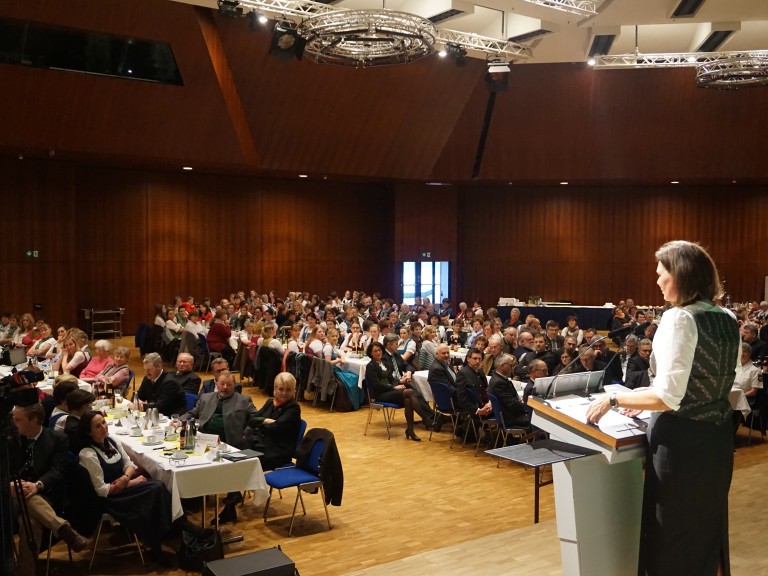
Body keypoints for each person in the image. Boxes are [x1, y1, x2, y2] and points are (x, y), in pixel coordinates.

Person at [586, 240, 740, 576]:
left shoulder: (679, 318)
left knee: (671, 534)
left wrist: (613, 399)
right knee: (704, 529)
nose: (657, 281)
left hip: (680, 444)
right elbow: (699, 383)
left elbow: (669, 398)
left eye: (662, 274)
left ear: (681, 274)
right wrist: (641, 398)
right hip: (716, 441)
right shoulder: (727, 317)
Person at [78, 411, 175, 566]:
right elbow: (102, 490)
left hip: (122, 490)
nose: (104, 427)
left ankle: (157, 541)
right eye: (98, 426)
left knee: (156, 488)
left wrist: (124, 478)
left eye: (103, 422)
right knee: (155, 489)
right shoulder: (88, 454)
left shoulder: (112, 441)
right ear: (89, 432)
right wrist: (131, 482)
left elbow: (129, 464)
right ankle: (169, 532)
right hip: (110, 500)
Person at [10, 404, 91, 575]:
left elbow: (58, 470)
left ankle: (26, 572)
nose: (13, 423)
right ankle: (63, 529)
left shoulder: (56, 439)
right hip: (10, 496)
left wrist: (37, 485)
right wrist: (11, 483)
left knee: (31, 523)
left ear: (34, 420)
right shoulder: (10, 439)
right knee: (22, 495)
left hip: (44, 496)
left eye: (17, 419)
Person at [181, 370, 256, 523]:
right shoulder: (206, 397)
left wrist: (245, 433)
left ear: (234, 386)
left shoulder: (244, 400)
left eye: (229, 384)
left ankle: (230, 501)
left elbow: (255, 419)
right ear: (216, 384)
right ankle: (192, 497)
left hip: (231, 444)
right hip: (204, 443)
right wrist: (179, 421)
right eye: (222, 384)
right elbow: (193, 413)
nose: (225, 387)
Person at [365, 341, 430, 441]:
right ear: (371, 354)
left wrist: (400, 382)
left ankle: (410, 430)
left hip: (390, 391)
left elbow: (391, 379)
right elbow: (377, 385)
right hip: (380, 394)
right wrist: (394, 387)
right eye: (375, 351)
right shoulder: (370, 366)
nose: (378, 353)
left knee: (408, 400)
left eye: (379, 350)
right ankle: (426, 418)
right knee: (410, 392)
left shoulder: (385, 363)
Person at [246, 372, 302, 470]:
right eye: (281, 389)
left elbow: (276, 428)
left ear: (294, 391)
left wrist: (260, 423)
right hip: (261, 444)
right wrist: (266, 420)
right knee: (235, 456)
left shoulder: (293, 408)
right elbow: (251, 419)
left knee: (244, 463)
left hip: (278, 451)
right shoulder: (270, 402)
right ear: (275, 389)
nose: (284, 393)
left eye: (288, 389)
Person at [134, 352, 186, 417]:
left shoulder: (170, 382)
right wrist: (137, 401)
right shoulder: (147, 379)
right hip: (155, 417)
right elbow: (138, 396)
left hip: (171, 419)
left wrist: (139, 406)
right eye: (145, 369)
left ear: (159, 366)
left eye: (149, 370)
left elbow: (159, 407)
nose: (146, 373)